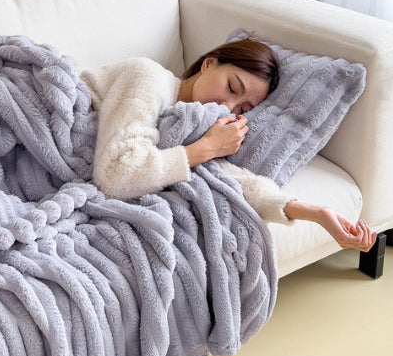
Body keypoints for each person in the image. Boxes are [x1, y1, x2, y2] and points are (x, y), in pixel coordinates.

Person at [80, 37, 376, 252]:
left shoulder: (194, 125)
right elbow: (115, 173)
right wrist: (207, 148)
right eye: (232, 87)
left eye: (243, 109)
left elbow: (228, 179)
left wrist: (315, 213)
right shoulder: (148, 78)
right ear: (209, 64)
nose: (227, 106)